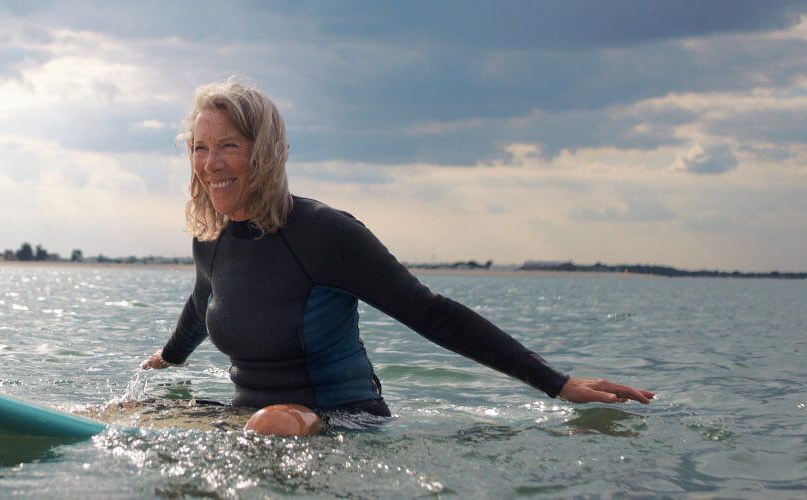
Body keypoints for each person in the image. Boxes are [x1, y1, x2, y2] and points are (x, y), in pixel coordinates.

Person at [140, 78, 653, 435]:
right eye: (198, 148)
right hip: (249, 416)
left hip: (342, 420)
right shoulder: (211, 238)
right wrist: (169, 359)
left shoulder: (324, 233)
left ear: (264, 152)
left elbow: (431, 312)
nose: (209, 164)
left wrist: (557, 383)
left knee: (270, 424)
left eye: (226, 145)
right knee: (132, 412)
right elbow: (202, 302)